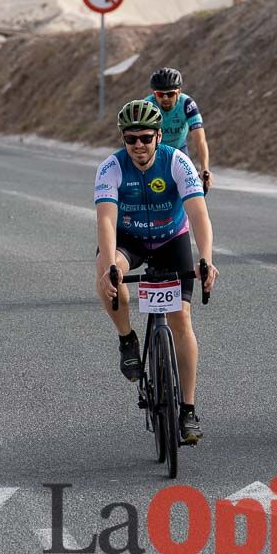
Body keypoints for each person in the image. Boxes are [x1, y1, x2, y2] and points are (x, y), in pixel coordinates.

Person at [95, 99, 218, 445]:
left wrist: (205, 259)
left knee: (181, 318)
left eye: (146, 138)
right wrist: (110, 267)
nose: (138, 146)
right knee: (108, 274)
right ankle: (127, 340)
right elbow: (105, 219)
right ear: (123, 139)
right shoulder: (111, 168)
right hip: (128, 239)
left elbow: (198, 215)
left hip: (170, 239)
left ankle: (188, 410)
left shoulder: (177, 161)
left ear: (159, 136)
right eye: (130, 139)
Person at [145, 68, 212, 192]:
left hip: (179, 149)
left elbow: (200, 140)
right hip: (154, 151)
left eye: (170, 94)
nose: (165, 98)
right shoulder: (148, 105)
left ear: (179, 92)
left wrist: (204, 168)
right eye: (160, 94)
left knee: (190, 186)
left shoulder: (187, 104)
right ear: (154, 94)